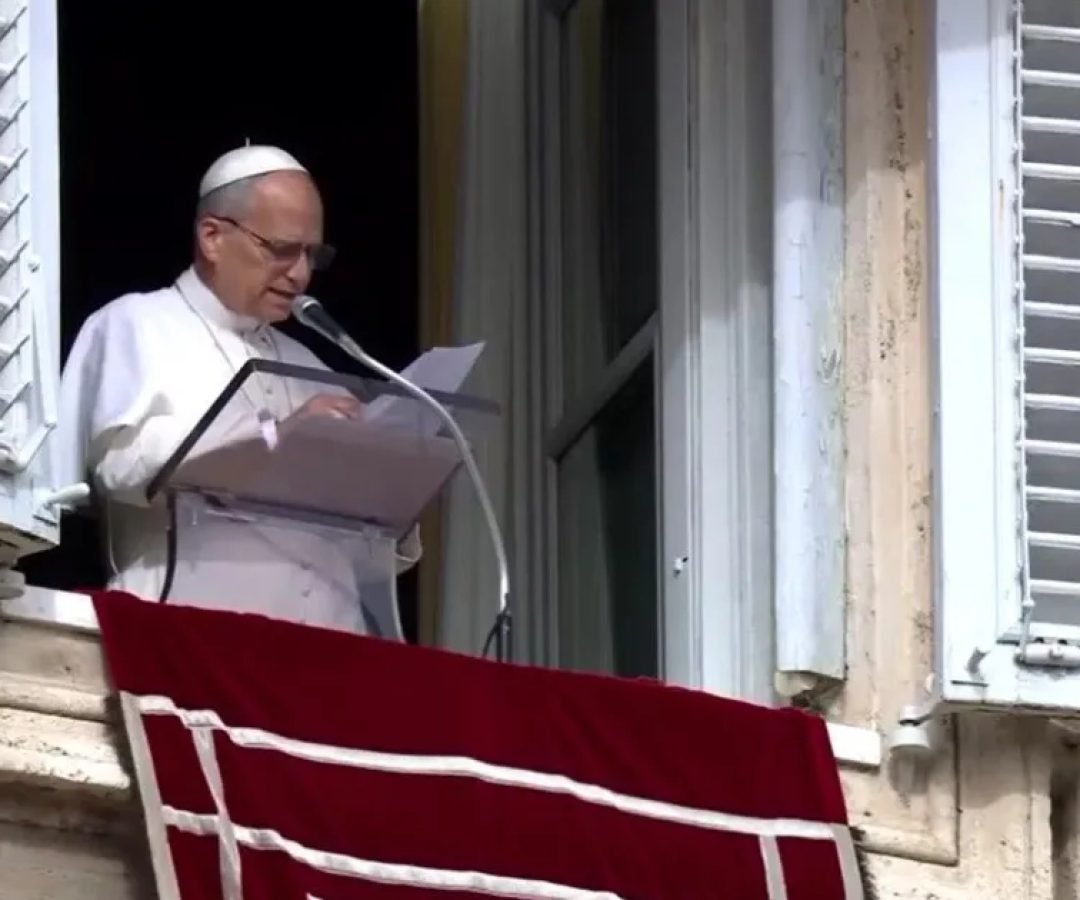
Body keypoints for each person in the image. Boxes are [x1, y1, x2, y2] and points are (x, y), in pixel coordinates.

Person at [56, 145, 420, 634]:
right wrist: (277, 438)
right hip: (187, 637)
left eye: (313, 254)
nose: (301, 274)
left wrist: (391, 487)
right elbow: (126, 473)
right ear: (212, 236)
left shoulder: (309, 362)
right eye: (283, 249)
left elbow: (369, 549)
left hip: (329, 651)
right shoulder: (135, 325)